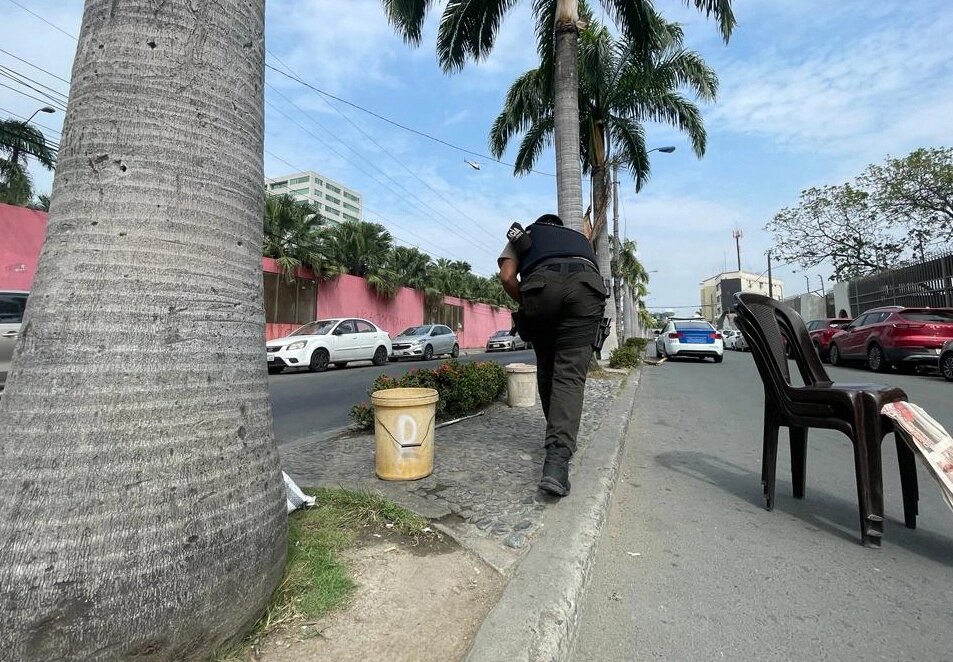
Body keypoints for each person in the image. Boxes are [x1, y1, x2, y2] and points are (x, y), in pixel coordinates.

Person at [498, 213, 608, 496]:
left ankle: (557, 438)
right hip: (586, 289)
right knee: (569, 377)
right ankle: (557, 461)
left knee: (547, 366)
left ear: (541, 225)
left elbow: (507, 277)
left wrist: (530, 301)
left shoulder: (527, 236)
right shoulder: (579, 240)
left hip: (541, 288)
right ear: (561, 228)